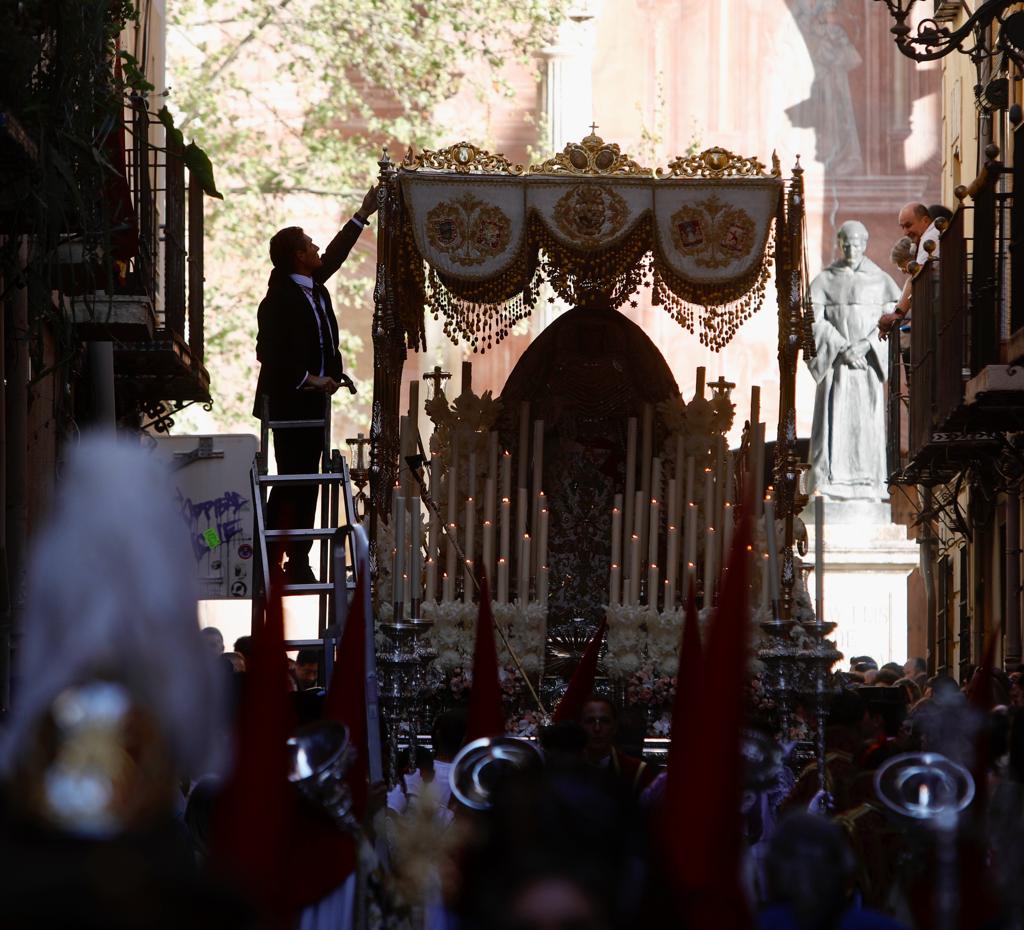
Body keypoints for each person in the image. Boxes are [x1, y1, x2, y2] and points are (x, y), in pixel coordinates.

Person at [252, 186, 378, 584]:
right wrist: (309, 379)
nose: (316, 246)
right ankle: (273, 557)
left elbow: (336, 255)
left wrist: (362, 214)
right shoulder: (277, 300)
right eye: (308, 243)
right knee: (292, 478)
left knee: (307, 479)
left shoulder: (314, 286)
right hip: (290, 401)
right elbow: (270, 355)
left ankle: (298, 558)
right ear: (296, 257)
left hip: (315, 402)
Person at [806, 221, 900, 500]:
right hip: (836, 366)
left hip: (867, 366)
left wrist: (867, 344)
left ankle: (869, 484)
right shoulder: (824, 280)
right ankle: (828, 484)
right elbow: (813, 322)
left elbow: (894, 320)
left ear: (866, 243)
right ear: (839, 243)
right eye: (846, 242)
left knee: (866, 424)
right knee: (832, 422)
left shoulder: (882, 281)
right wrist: (842, 347)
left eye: (857, 242)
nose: (851, 248)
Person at [580, 696, 656, 795]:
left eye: (604, 721)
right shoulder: (566, 771)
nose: (597, 728)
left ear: (615, 727)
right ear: (580, 726)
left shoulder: (635, 772)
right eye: (590, 721)